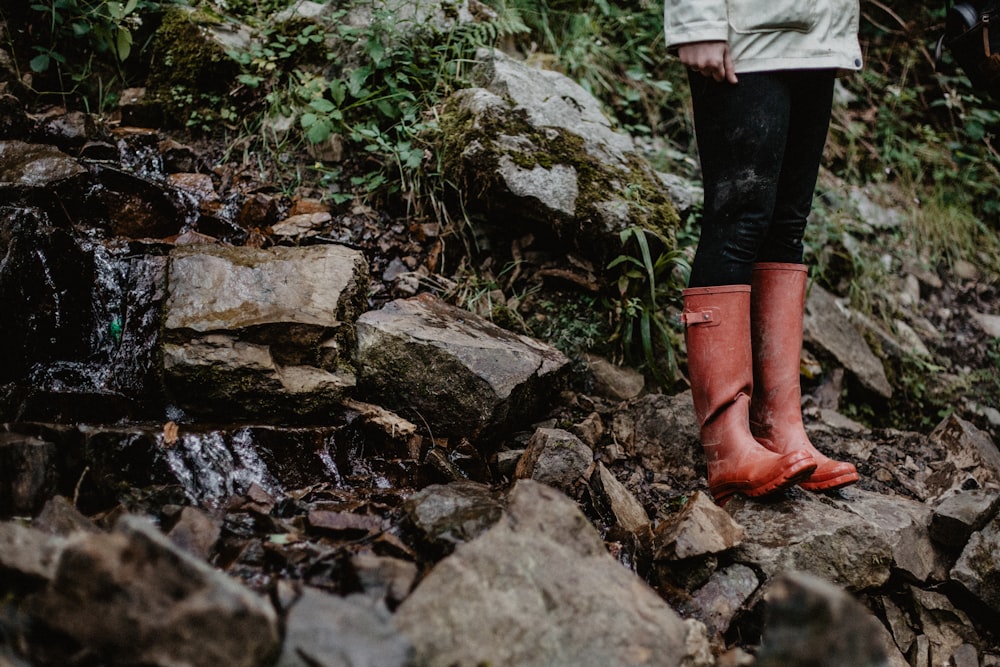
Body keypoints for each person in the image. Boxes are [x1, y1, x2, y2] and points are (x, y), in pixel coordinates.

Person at [665, 0, 864, 504]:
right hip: (745, 32)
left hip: (816, 35)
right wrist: (697, 20)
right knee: (739, 219)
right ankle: (726, 444)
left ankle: (781, 429)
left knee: (786, 227)